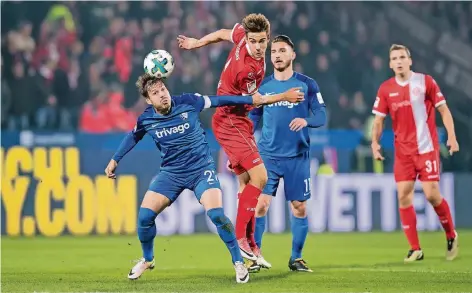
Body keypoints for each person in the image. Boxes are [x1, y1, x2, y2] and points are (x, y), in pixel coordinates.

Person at [104, 73, 303, 283]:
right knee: (144, 218)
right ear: (148, 99)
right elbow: (133, 136)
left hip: (201, 169)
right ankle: (147, 258)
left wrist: (250, 99)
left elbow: (221, 100)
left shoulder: (189, 102)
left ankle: (238, 262)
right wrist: (115, 160)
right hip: (171, 173)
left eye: (163, 89)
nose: (162, 94)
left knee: (217, 215)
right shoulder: (146, 118)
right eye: (155, 93)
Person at [177, 13, 271, 263]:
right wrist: (283, 96)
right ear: (248, 39)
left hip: (234, 121)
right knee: (261, 177)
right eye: (254, 42)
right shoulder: (249, 70)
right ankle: (241, 238)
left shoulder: (241, 36)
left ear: (266, 38)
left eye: (262, 41)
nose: (259, 47)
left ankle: (251, 245)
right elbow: (254, 100)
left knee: (244, 184)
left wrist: (198, 43)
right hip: (232, 120)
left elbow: (221, 33)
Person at [371, 44, 459, 262]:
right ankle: (415, 248)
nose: (399, 61)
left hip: (426, 149)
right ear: (390, 64)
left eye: (402, 57)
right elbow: (379, 120)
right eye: (394, 58)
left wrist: (452, 136)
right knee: (403, 196)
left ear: (410, 60)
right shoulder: (385, 89)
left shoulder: (425, 82)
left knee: (431, 194)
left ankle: (451, 234)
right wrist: (375, 143)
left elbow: (443, 109)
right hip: (403, 153)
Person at [248, 35, 327, 272]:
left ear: (293, 55)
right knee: (261, 205)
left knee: (299, 207)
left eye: (282, 51)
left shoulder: (307, 84)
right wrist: (246, 139)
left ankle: (296, 258)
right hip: (268, 156)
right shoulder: (264, 86)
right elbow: (253, 117)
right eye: (274, 52)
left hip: (297, 156)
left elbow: (321, 115)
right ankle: (255, 257)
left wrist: (306, 120)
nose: (277, 55)